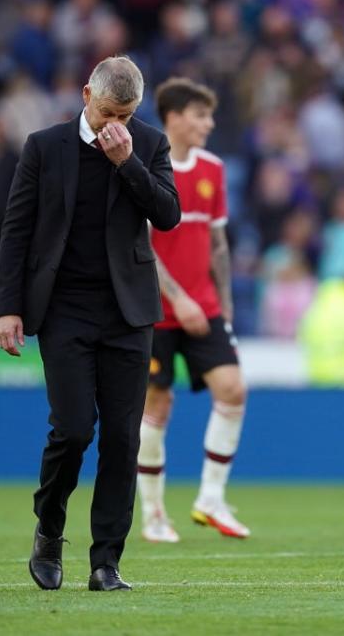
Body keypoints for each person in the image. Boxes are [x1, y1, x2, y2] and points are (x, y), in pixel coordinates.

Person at [0, 56, 180, 591]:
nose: (113, 124)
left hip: (128, 312)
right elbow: (16, 230)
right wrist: (8, 307)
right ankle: (50, 529)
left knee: (123, 439)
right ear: (85, 96)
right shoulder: (44, 147)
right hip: (65, 309)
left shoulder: (148, 144)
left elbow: (167, 214)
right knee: (73, 430)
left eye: (125, 114)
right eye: (105, 113)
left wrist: (128, 164)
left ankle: (106, 562)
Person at [135, 77, 250, 543]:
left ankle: (211, 498)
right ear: (175, 117)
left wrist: (224, 304)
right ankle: (154, 514)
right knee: (157, 404)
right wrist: (177, 298)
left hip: (203, 309)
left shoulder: (213, 169)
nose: (209, 123)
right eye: (201, 115)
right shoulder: (145, 165)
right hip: (155, 309)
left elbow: (218, 244)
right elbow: (139, 242)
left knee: (233, 389)